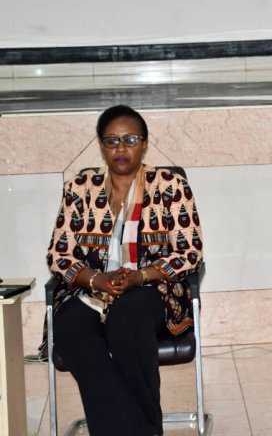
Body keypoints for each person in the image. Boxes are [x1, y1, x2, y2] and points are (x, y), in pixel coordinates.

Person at [44, 105, 204, 436]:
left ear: (144, 144)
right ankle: (142, 429)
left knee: (126, 318)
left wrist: (140, 276)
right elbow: (59, 255)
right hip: (88, 289)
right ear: (101, 145)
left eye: (130, 140)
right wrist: (96, 279)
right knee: (71, 328)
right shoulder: (79, 188)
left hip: (152, 289)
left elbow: (190, 252)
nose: (121, 148)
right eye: (112, 140)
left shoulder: (170, 186)